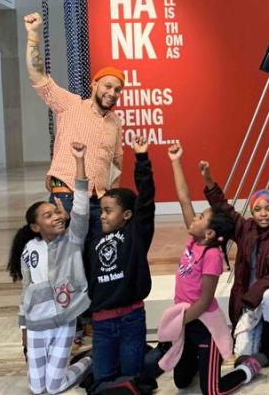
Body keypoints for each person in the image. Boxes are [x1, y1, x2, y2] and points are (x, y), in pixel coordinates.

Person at [150, 143, 267, 394]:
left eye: (200, 218)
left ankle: (248, 368)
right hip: (186, 322)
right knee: (181, 382)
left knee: (211, 391)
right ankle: (196, 361)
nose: (194, 218)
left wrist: (177, 323)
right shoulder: (194, 239)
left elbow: (203, 302)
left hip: (203, 327)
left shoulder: (212, 255)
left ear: (211, 233)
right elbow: (184, 200)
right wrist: (175, 161)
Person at [23, 12, 124, 246]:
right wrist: (33, 35)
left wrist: (114, 199)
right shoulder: (70, 104)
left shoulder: (115, 122)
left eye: (117, 90)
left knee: (97, 257)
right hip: (66, 194)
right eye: (108, 86)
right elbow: (38, 77)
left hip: (99, 200)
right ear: (95, 84)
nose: (112, 93)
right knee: (65, 255)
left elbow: (116, 163)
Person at [7, 142, 93, 394]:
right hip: (36, 324)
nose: (56, 216)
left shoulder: (72, 240)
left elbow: (81, 208)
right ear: (35, 227)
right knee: (36, 389)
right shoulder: (29, 249)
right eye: (48, 215)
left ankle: (89, 360)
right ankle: (69, 364)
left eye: (56, 212)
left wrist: (79, 161)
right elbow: (26, 287)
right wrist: (23, 326)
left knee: (54, 387)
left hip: (64, 319)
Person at [202, 165, 269, 365]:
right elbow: (223, 208)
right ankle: (257, 342)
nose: (263, 214)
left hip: (268, 299)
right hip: (248, 303)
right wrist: (209, 181)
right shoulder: (246, 228)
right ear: (252, 211)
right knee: (243, 356)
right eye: (258, 209)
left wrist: (256, 291)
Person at [87, 135, 156, 387]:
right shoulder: (94, 240)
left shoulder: (135, 235)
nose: (102, 216)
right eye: (102, 211)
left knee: (132, 378)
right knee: (103, 380)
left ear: (127, 215)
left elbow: (146, 199)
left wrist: (141, 159)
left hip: (131, 320)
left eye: (108, 211)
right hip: (102, 322)